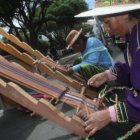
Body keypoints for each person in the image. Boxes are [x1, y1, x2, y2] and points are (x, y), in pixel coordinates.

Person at [75, 1, 140, 140]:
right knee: (108, 91)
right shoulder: (132, 36)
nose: (105, 28)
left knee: (99, 133)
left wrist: (111, 114)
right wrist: (107, 74)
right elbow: (132, 69)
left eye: (107, 22)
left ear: (125, 14)